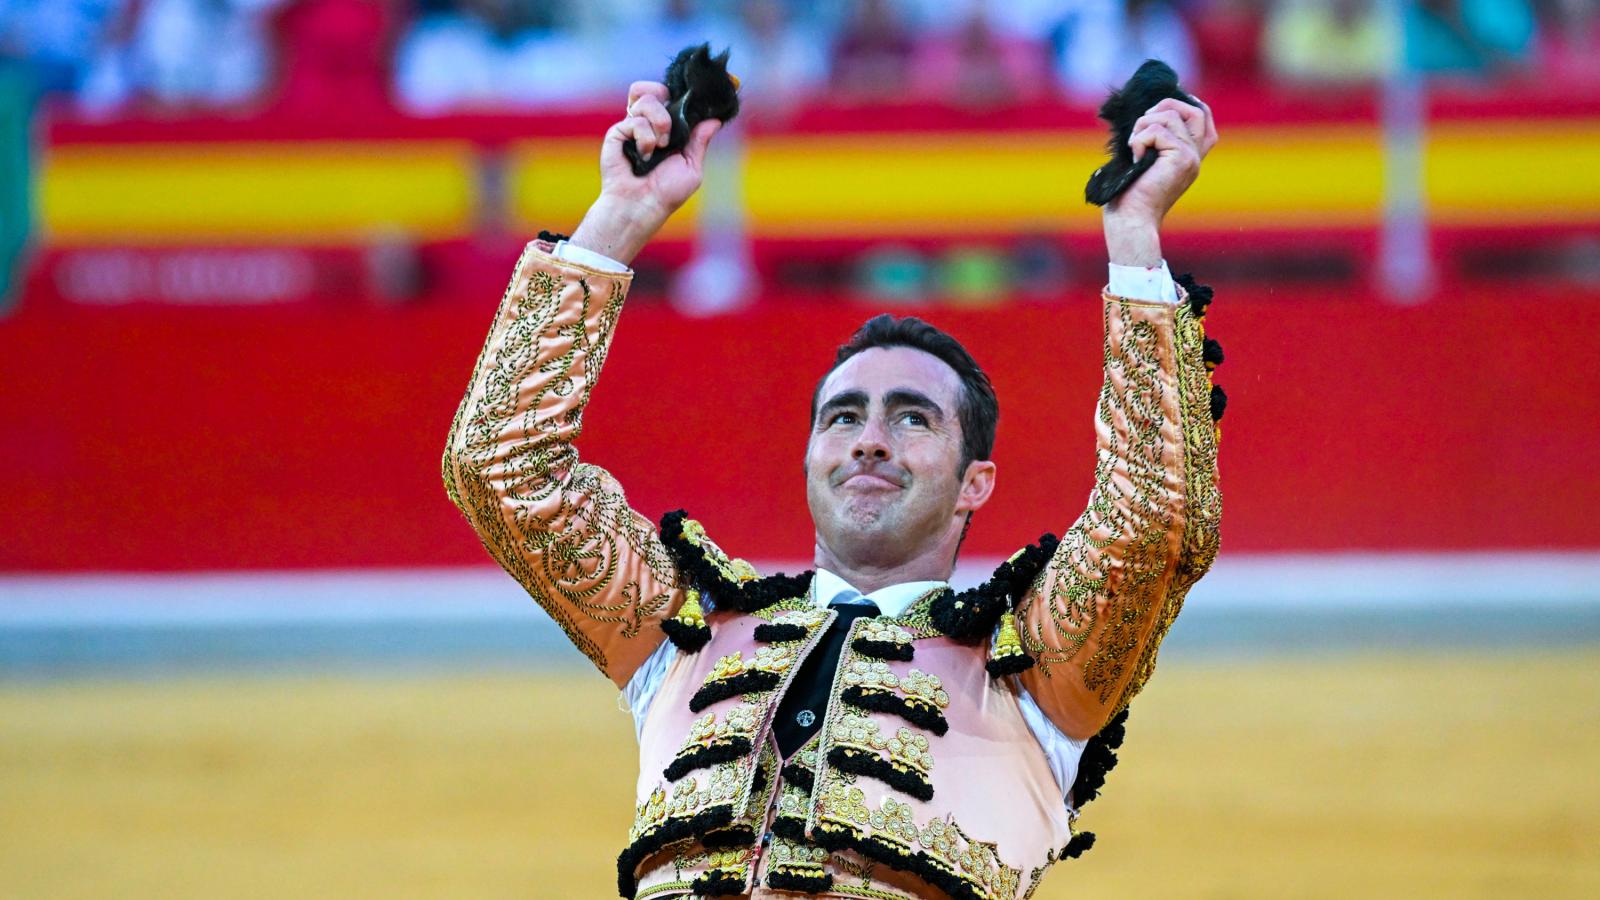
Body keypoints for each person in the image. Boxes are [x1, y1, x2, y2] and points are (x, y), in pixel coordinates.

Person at [441, 76, 1224, 899]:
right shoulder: (686, 638)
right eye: (843, 417)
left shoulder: (1032, 672)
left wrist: (1135, 239)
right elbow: (500, 465)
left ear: (975, 483)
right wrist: (617, 223)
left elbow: (1157, 521)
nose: (871, 441)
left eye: (914, 419)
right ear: (810, 455)